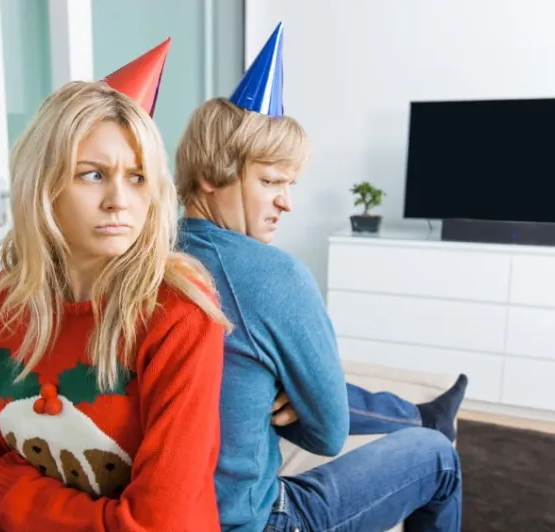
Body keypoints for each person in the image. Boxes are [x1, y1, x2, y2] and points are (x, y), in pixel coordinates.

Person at [175, 23, 463, 531]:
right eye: (271, 181)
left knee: (295, 370)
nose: (288, 201)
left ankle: (418, 412)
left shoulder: (154, 251)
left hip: (176, 511)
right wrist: (281, 401)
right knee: (437, 455)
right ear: (210, 174)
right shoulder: (272, 275)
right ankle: (425, 421)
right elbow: (330, 434)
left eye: (290, 183)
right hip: (256, 521)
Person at [0, 41, 231, 532]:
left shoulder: (180, 314)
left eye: (137, 177)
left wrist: (12, 493)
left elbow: (160, 523)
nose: (119, 201)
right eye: (94, 175)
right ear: (45, 186)